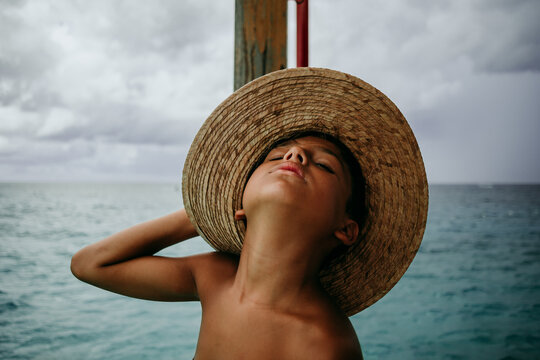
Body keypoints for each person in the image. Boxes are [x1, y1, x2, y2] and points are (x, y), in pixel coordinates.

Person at [71, 68, 429, 360]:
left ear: (346, 228)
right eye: (276, 157)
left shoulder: (326, 344)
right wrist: (199, 215)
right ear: (240, 206)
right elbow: (89, 265)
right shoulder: (213, 275)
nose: (295, 156)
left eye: (324, 165)